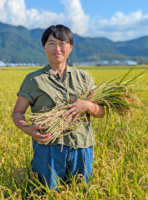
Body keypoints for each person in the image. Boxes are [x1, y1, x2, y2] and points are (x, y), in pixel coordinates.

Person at [12, 25, 105, 189]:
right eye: (51, 43)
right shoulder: (34, 80)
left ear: (70, 47)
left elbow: (101, 112)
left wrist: (87, 105)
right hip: (48, 148)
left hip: (82, 148)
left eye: (62, 43)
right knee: (47, 192)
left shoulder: (84, 77)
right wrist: (28, 129)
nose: (57, 48)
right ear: (44, 47)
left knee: (80, 192)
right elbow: (18, 113)